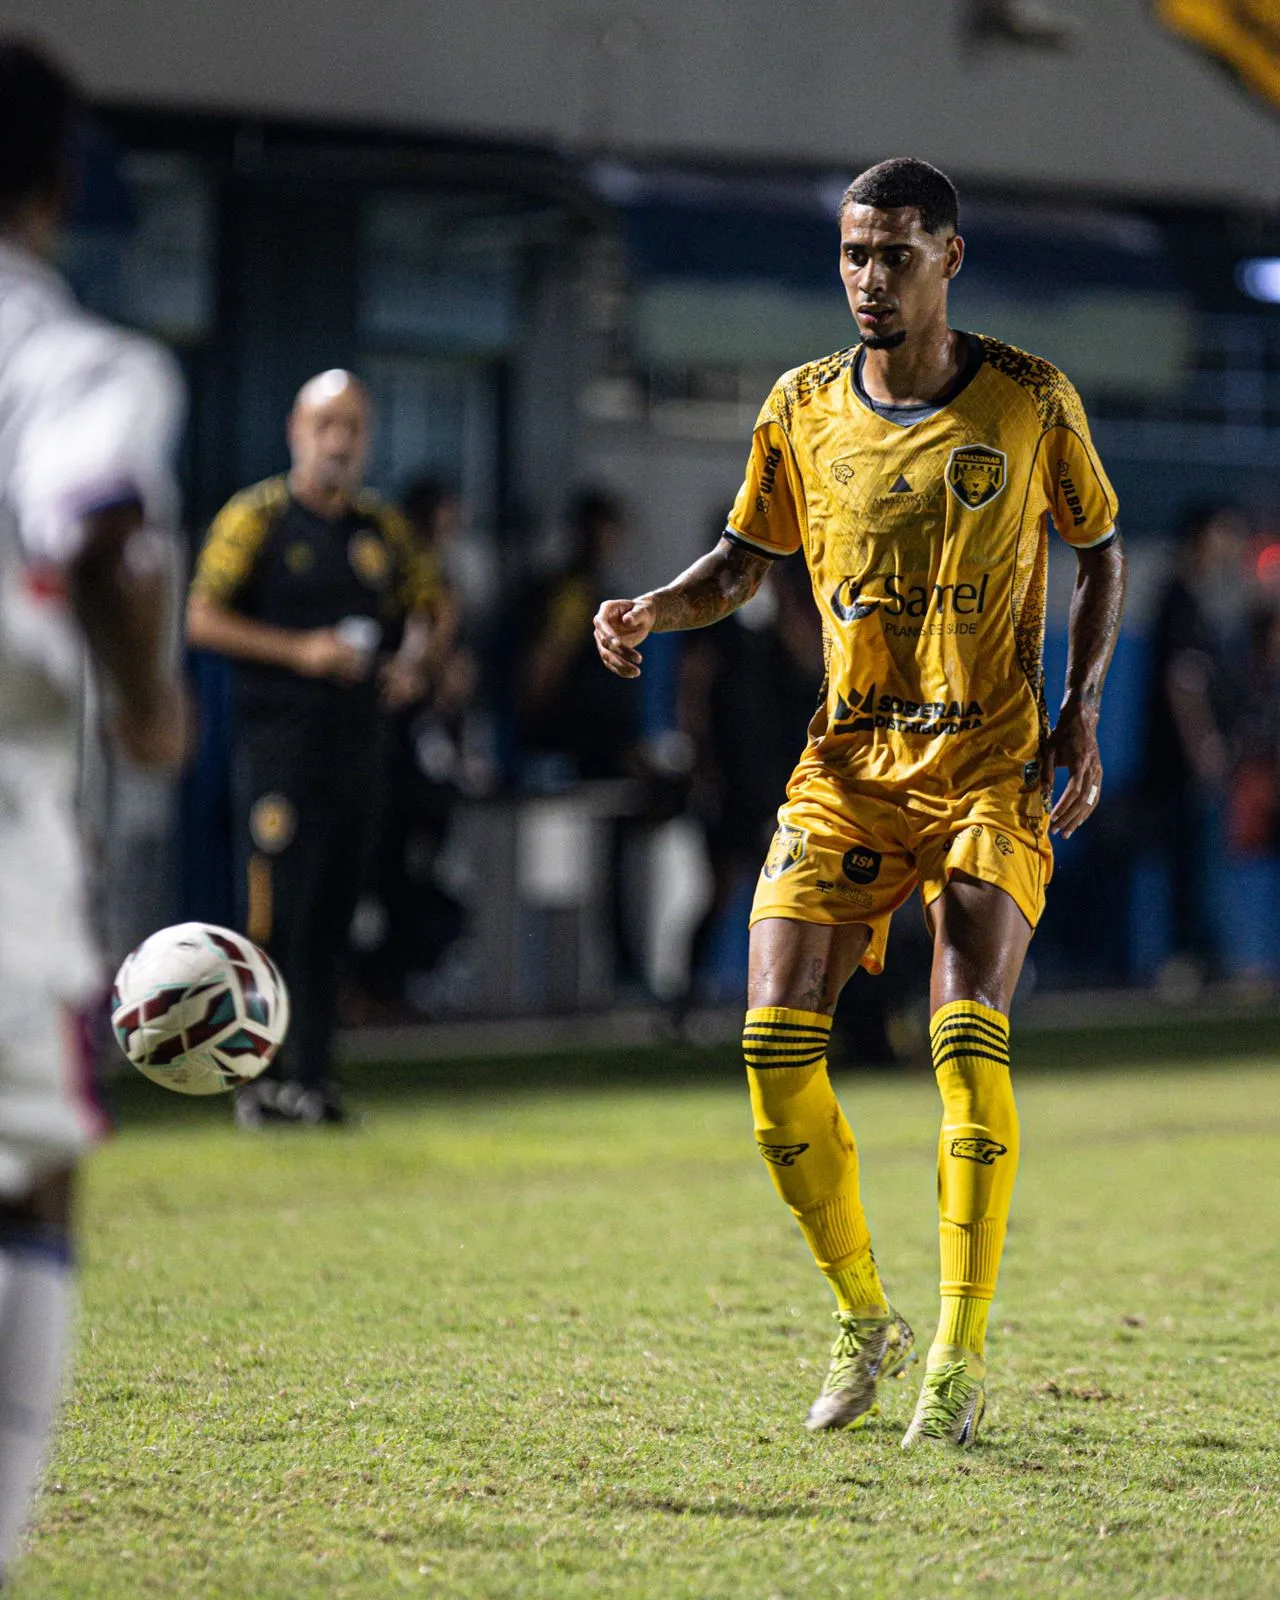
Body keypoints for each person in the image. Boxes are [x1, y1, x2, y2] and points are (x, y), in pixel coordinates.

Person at [594, 157, 1126, 1448]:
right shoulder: (800, 407)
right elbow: (744, 557)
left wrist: (1082, 706)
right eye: (852, 254)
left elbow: (1100, 548)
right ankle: (861, 1315)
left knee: (961, 1035)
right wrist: (660, 609)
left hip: (988, 766)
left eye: (894, 255)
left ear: (952, 259)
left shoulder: (1030, 400)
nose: (868, 280)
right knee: (774, 1051)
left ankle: (955, 1350)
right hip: (846, 771)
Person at [0, 40, 187, 1577]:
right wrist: (147, 702)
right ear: (59, 184)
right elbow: (102, 523)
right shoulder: (70, 359)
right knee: (30, 1167)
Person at [186, 371, 437, 1126]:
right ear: (297, 430)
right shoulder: (257, 517)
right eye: (326, 425)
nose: (339, 442)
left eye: (353, 427)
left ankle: (315, 1082)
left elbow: (430, 602)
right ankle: (253, 1081)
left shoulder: (380, 529)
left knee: (335, 919)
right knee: (276, 917)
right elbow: (201, 618)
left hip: (359, 753)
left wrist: (414, 661)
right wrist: (302, 653)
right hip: (278, 753)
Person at [1138, 501, 1246, 992]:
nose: (1231, 546)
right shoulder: (1177, 598)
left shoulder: (1199, 599)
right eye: (1224, 534)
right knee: (1192, 864)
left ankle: (1200, 960)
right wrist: (1203, 747)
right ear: (1201, 537)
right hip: (1182, 766)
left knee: (1200, 862)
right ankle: (1194, 963)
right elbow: (1183, 682)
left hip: (1190, 763)